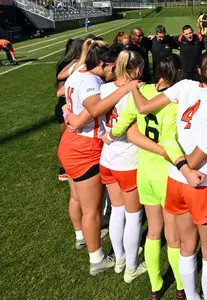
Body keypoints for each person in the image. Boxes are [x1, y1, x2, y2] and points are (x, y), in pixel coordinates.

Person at [128, 52, 207, 300]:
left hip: (175, 176)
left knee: (186, 245)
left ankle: (191, 295)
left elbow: (143, 106)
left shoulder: (184, 85)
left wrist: (133, 87)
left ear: (197, 70)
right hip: (203, 178)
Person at [107, 54, 202, 299]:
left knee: (153, 232)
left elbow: (123, 126)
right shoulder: (175, 101)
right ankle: (181, 285)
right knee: (173, 237)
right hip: (166, 172)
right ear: (178, 74)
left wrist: (110, 135)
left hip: (145, 171)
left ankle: (155, 285)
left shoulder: (142, 91)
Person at [58, 40, 136, 276]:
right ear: (107, 65)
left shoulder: (76, 72)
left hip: (70, 145)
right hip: (85, 148)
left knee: (77, 198)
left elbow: (64, 99)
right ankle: (97, 259)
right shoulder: (91, 81)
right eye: (113, 70)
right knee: (92, 210)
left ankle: (81, 236)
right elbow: (92, 110)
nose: (113, 75)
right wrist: (125, 89)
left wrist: (67, 114)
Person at [98, 50, 147, 283]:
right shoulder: (137, 90)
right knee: (134, 215)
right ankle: (131, 266)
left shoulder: (105, 88)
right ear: (137, 69)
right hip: (128, 159)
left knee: (117, 211)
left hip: (107, 158)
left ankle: (119, 259)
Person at [55, 38, 84, 181]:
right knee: (65, 139)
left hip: (71, 105)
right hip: (65, 105)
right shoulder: (66, 65)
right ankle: (63, 169)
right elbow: (59, 89)